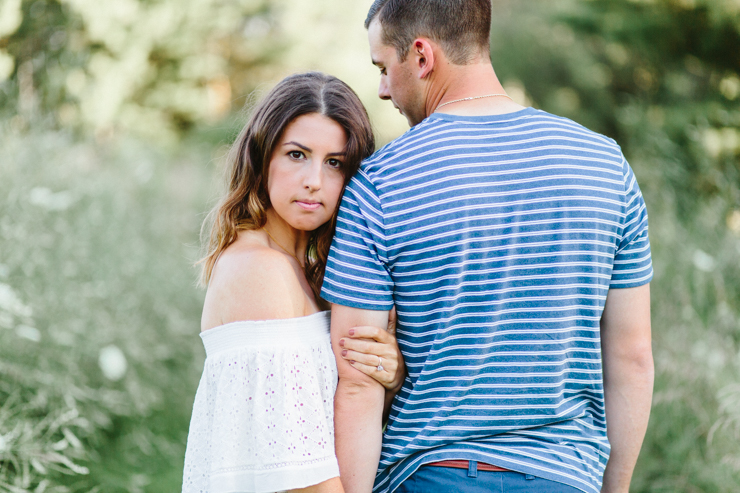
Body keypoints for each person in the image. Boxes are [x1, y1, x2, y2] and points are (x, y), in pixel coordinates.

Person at [321, 1, 654, 493]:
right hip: (565, 476)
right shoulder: (604, 164)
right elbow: (631, 355)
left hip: (430, 476)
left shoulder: (379, 183)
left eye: (383, 67)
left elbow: (358, 381)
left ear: (421, 56)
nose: (383, 89)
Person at [181, 72, 405, 493]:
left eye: (334, 163)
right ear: (262, 155)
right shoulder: (257, 270)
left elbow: (320, 422)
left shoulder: (308, 271)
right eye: (297, 154)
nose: (314, 181)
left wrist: (387, 379)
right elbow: (300, 473)